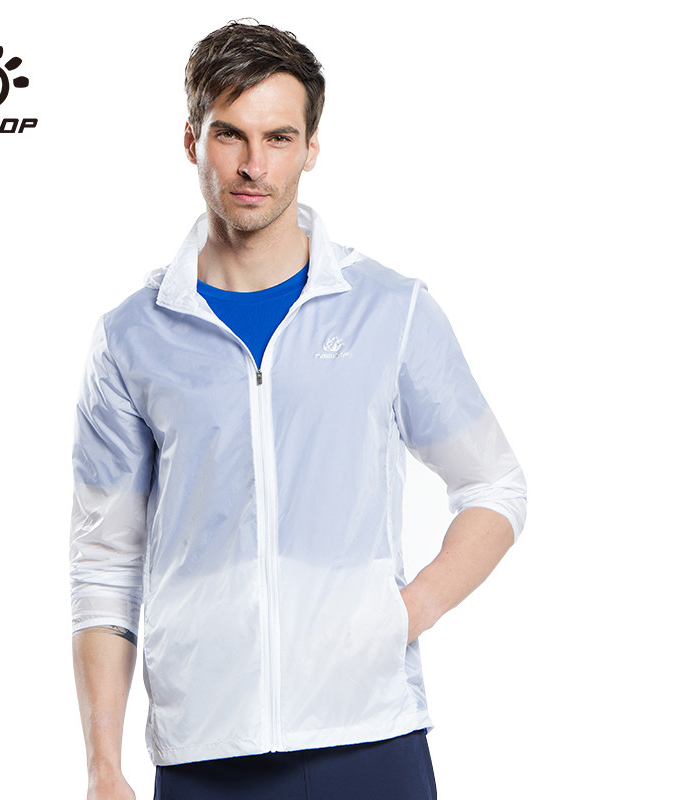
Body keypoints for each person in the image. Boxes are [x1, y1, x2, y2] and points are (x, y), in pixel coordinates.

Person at [70, 19, 527, 800]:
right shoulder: (131, 337)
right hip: (204, 748)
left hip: (370, 735)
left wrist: (407, 613)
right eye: (231, 135)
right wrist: (103, 767)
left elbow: (494, 485)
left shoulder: (390, 311)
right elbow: (105, 562)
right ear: (192, 140)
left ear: (311, 147)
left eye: (279, 138)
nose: (254, 165)